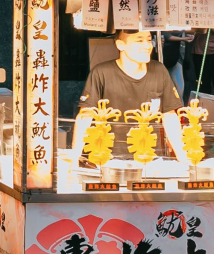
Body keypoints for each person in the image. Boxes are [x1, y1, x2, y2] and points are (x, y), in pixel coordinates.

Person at [74, 30, 189, 162]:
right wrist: (75, 157)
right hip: (108, 158)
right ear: (120, 45)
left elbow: (169, 115)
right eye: (139, 40)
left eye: (149, 40)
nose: (147, 46)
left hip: (149, 159)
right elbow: (85, 116)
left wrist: (182, 156)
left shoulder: (159, 70)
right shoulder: (101, 73)